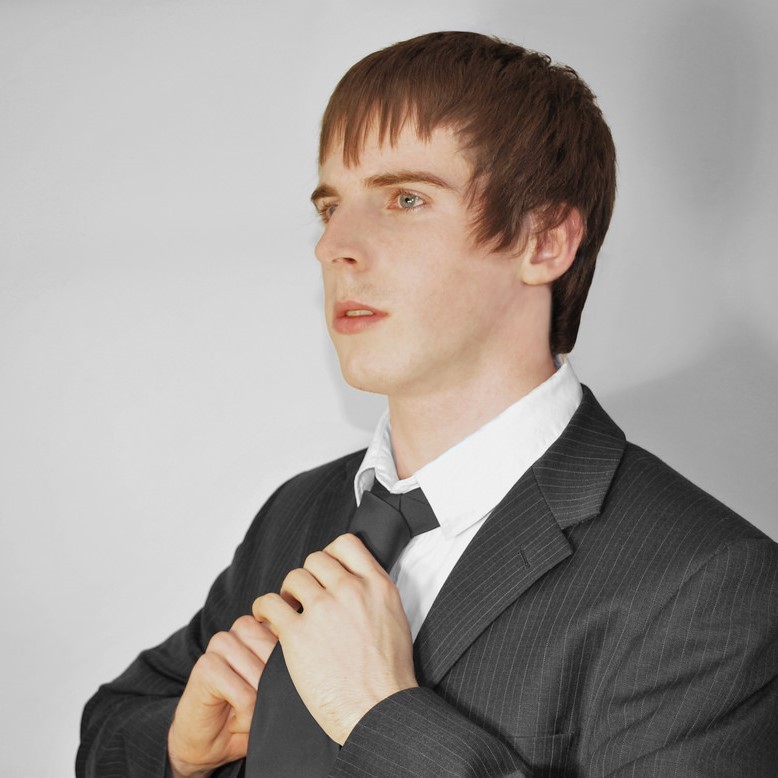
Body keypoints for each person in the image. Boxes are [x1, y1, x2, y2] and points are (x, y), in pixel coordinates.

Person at [77, 31, 778, 777]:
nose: (334, 247)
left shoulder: (711, 586)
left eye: (404, 198)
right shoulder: (299, 513)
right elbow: (111, 727)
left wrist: (384, 719)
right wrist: (180, 753)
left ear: (544, 241)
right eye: (330, 206)